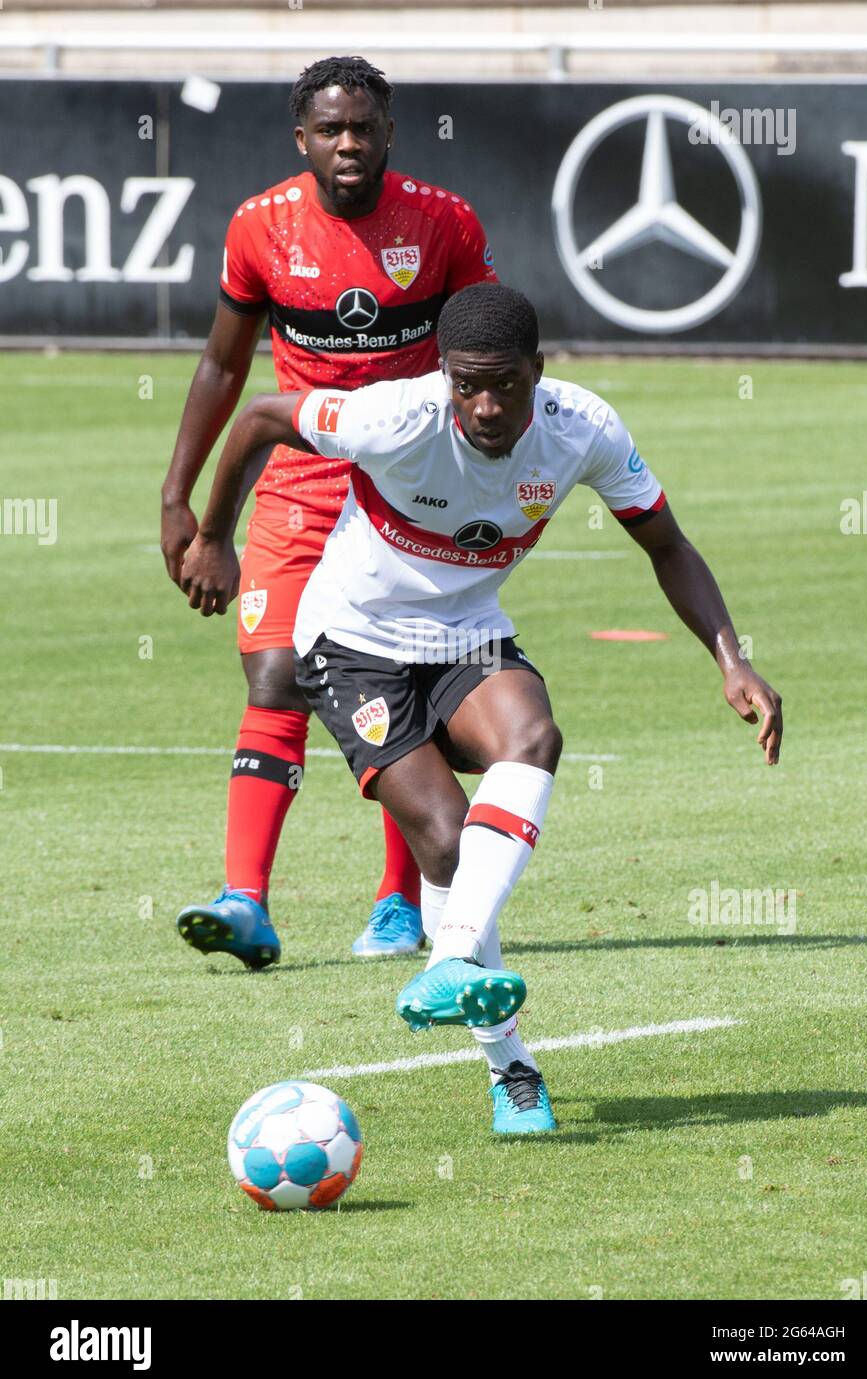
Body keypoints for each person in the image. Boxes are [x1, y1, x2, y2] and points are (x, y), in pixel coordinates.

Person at [179, 282, 783, 1134]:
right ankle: (512, 1070)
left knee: (532, 736)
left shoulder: (583, 430)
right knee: (444, 837)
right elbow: (258, 422)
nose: (486, 405)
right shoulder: (393, 418)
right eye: (467, 384)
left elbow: (665, 543)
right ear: (443, 376)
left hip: (466, 634)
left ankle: (451, 956)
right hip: (351, 640)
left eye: (506, 383)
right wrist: (213, 536)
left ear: (541, 371)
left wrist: (732, 660)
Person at [160, 56, 498, 969]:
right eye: (330, 129)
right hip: (300, 482)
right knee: (275, 678)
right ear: (301, 138)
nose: (348, 142)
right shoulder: (260, 227)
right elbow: (223, 368)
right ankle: (245, 904)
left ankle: (399, 901)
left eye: (364, 126)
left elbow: (483, 354)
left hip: (410, 489)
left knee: (400, 675)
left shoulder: (442, 223)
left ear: (389, 132)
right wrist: (179, 502)